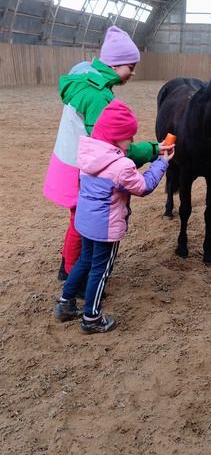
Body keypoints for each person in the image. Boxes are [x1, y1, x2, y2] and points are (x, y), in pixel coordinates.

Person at [43, 25, 166, 281]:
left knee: (77, 218)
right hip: (82, 166)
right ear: (115, 64)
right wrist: (154, 150)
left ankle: (67, 267)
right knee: (82, 222)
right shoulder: (98, 96)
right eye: (130, 66)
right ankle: (72, 275)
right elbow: (111, 148)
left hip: (70, 160)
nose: (133, 72)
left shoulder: (87, 82)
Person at [54, 100, 174, 334]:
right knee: (100, 270)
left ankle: (65, 303)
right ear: (115, 137)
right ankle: (91, 318)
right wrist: (162, 162)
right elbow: (144, 186)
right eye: (128, 136)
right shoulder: (121, 166)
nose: (131, 141)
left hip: (85, 222)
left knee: (84, 261)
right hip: (105, 228)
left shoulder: (88, 151)